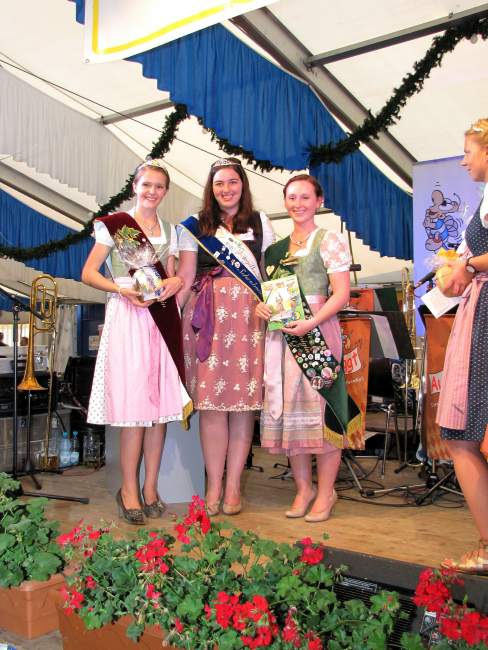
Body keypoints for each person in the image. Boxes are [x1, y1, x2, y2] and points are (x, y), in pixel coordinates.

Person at [81, 158, 191, 525]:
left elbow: (171, 276)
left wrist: (175, 281)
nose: (152, 192)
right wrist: (120, 289)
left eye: (159, 186)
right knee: (135, 409)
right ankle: (128, 490)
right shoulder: (115, 226)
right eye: (147, 185)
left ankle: (151, 488)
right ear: (135, 187)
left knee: (158, 409)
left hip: (161, 318)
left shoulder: (172, 230)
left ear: (165, 191)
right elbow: (88, 273)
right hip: (129, 316)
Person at [256, 174, 357, 522]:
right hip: (283, 339)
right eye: (292, 198)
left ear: (318, 201)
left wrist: (312, 322)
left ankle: (326, 492)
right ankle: (303, 489)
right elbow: (270, 296)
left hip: (317, 334)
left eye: (305, 197)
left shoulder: (329, 241)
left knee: (321, 414)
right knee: (292, 417)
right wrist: (261, 308)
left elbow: (341, 294)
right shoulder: (274, 251)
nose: (298, 204)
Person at [177, 158, 274, 516]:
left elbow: (269, 275)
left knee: (243, 408)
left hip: (249, 319)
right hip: (208, 317)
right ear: (211, 188)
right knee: (212, 408)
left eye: (232, 182)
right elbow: (186, 277)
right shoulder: (195, 226)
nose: (226, 189)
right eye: (219, 183)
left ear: (242, 185)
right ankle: (214, 486)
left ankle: (233, 486)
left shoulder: (261, 223)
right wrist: (167, 318)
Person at [437, 118, 488, 574]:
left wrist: (468, 266)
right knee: (466, 435)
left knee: (469, 434)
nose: (463, 160)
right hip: (479, 311)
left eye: (469, 151)